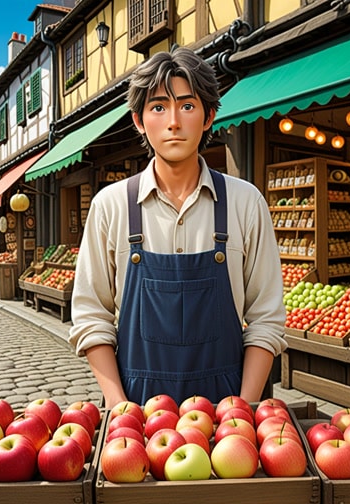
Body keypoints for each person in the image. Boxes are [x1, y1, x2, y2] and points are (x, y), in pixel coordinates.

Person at [68, 47, 287, 408]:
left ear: (208, 117)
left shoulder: (246, 202)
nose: (173, 121)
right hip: (135, 410)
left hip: (229, 408)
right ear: (139, 120)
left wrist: (243, 408)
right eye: (158, 107)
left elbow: (266, 318)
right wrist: (119, 404)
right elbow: (91, 316)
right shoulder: (111, 205)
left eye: (187, 106)